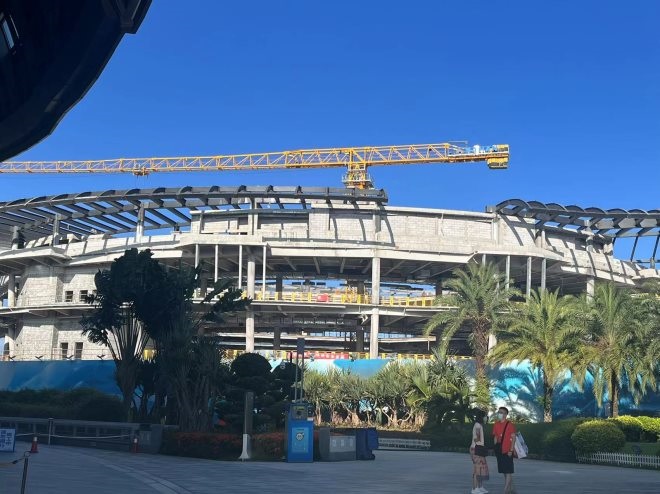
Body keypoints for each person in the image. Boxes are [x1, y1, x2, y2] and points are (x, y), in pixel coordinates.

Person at [492, 406, 516, 494]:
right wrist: (495, 447)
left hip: (507, 450)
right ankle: (511, 489)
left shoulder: (510, 424)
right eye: (499, 412)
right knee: (504, 471)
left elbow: (513, 438)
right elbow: (495, 436)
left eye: (501, 412)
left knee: (508, 471)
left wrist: (511, 450)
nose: (499, 414)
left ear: (505, 414)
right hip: (499, 450)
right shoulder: (496, 424)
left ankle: (505, 490)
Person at [469, 409, 489, 494]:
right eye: (485, 416)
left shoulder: (479, 425)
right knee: (477, 469)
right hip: (476, 449)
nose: (486, 417)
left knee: (481, 469)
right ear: (481, 417)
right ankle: (474, 488)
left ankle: (480, 487)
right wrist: (481, 446)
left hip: (478, 448)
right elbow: (476, 438)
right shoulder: (477, 425)